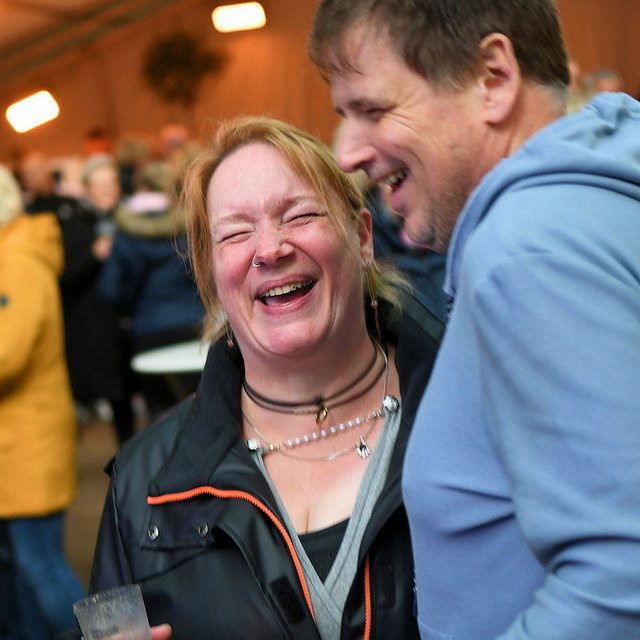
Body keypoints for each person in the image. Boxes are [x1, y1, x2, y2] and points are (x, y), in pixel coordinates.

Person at [309, 1, 640, 639]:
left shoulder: (527, 252)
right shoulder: (591, 201)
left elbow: (622, 577)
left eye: (372, 109)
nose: (347, 152)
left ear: (493, 78)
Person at [89, 116, 444, 639]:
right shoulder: (140, 483)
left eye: (299, 215)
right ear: (212, 272)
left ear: (363, 237)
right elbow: (103, 627)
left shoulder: (471, 417)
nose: (270, 249)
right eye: (235, 232)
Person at [0, 165, 86, 639]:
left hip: (26, 441)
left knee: (41, 566)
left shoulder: (17, 260)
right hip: (15, 441)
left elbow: (7, 355)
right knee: (22, 567)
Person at [97, 160, 206, 417]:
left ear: (141, 189)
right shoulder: (187, 228)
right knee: (204, 402)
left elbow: (110, 290)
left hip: (148, 330)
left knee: (162, 411)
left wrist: (131, 306)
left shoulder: (125, 234)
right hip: (195, 325)